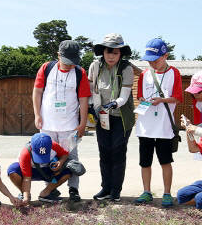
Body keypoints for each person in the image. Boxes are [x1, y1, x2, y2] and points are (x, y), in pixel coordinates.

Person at [32, 39, 91, 202]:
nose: (70, 65)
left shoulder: (80, 72)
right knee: (47, 159)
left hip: (70, 127)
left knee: (72, 159)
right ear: (58, 55)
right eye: (66, 62)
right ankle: (50, 188)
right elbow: (37, 92)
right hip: (47, 126)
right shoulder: (46, 68)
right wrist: (37, 114)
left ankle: (74, 189)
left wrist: (83, 124)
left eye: (73, 62)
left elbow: (84, 100)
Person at [134, 38, 183, 206]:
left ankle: (167, 193)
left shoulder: (174, 73)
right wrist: (143, 100)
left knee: (165, 161)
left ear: (165, 56)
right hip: (145, 126)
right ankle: (146, 191)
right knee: (145, 162)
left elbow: (178, 97)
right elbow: (139, 96)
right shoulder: (144, 74)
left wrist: (162, 100)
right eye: (149, 61)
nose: (152, 64)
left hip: (163, 127)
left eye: (155, 60)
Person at [88, 33, 136, 202]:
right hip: (102, 116)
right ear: (103, 52)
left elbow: (124, 96)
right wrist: (94, 108)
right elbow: (92, 90)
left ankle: (116, 190)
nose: (111, 56)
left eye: (115, 53)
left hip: (121, 117)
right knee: (104, 152)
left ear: (121, 54)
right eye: (109, 52)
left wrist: (113, 104)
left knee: (117, 152)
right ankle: (105, 188)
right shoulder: (95, 66)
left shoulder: (126, 68)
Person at [7, 132, 72, 203]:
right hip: (31, 171)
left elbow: (65, 154)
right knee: (12, 169)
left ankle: (45, 193)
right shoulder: (25, 153)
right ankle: (24, 193)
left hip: (48, 170)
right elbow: (27, 178)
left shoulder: (53, 145)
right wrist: (26, 197)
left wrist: (60, 162)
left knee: (68, 170)